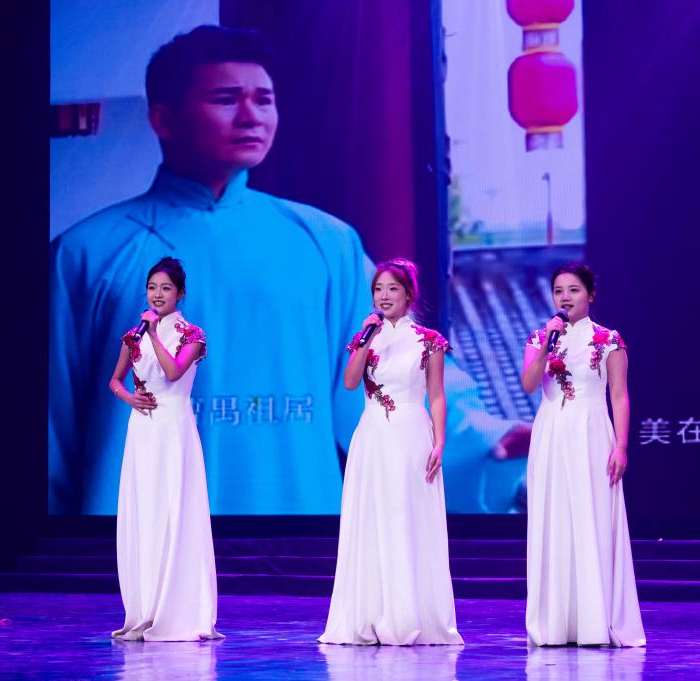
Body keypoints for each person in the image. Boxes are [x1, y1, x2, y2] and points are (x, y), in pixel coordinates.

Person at [49, 24, 525, 516]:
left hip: (296, 543)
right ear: (163, 119)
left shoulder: (326, 245)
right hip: (133, 539)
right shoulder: (86, 255)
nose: (251, 115)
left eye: (264, 99)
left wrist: (489, 442)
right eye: (226, 99)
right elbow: (50, 430)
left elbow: (394, 370)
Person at [319, 259, 463, 646]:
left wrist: (439, 441)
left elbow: (437, 396)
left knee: (405, 517)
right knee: (371, 521)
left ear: (409, 294)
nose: (384, 296)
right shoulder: (365, 337)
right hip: (372, 437)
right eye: (378, 289)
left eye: (392, 289)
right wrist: (365, 341)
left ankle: (408, 615)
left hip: (411, 434)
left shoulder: (428, 340)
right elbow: (350, 383)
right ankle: (369, 614)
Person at [521, 263, 644, 647]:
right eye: (559, 291)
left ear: (590, 295)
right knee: (554, 519)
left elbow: (619, 396)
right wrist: (547, 344)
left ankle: (594, 620)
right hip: (551, 434)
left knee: (592, 517)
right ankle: (555, 623)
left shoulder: (608, 340)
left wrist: (620, 445)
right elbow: (529, 384)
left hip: (591, 433)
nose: (565, 297)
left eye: (573, 290)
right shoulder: (540, 337)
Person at [109, 257, 222, 642]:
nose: (157, 294)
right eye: (152, 287)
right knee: (146, 512)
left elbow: (173, 372)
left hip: (174, 428)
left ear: (180, 293)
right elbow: (115, 380)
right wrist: (129, 398)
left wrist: (154, 334)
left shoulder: (193, 335)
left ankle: (177, 611)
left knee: (174, 510)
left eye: (166, 288)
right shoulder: (132, 335)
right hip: (142, 429)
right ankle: (143, 609)